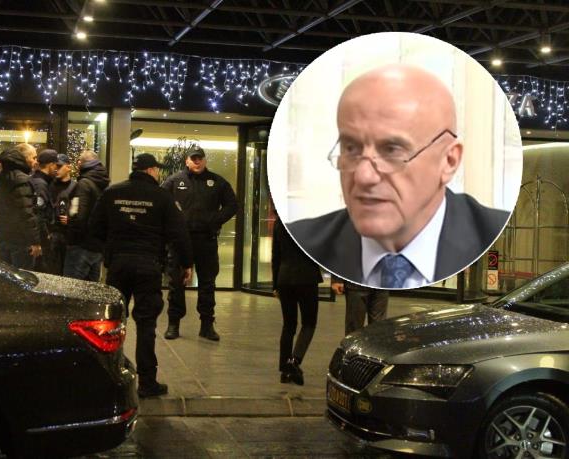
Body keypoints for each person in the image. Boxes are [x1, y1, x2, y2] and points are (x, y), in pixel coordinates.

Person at [288, 64, 510, 288]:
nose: (363, 176)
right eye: (351, 148)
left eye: (392, 150)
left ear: (449, 161)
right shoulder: (305, 241)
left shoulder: (492, 232)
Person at [90, 153, 193, 398]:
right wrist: (186, 263)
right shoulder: (162, 197)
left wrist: (110, 251)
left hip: (119, 265)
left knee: (113, 323)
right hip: (148, 266)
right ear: (150, 170)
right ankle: (147, 382)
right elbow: (179, 233)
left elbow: (94, 227)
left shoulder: (112, 193)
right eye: (157, 170)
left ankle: (110, 378)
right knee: (146, 324)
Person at [161, 146, 237, 341]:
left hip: (206, 240)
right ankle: (173, 324)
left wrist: (215, 220)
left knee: (207, 283)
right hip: (180, 241)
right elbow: (160, 202)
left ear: (205, 160)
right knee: (176, 284)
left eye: (199, 158)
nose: (196, 161)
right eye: (193, 158)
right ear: (187, 161)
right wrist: (172, 223)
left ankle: (207, 325)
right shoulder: (175, 181)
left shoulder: (217, 182)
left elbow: (232, 205)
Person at [272, 216, 322, 386]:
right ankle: (294, 362)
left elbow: (276, 255)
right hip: (307, 278)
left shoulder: (279, 222)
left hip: (284, 278)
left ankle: (285, 370)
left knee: (288, 325)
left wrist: (275, 284)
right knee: (309, 323)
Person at [0, 143, 41, 270]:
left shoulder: (1, 176)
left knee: (6, 275)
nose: (36, 161)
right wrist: (35, 241)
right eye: (33, 157)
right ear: (25, 158)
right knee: (23, 276)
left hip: (3, 235)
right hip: (21, 240)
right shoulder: (22, 179)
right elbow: (26, 213)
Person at [63, 151, 109, 282]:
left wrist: (71, 237)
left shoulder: (83, 184)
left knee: (71, 287)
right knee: (91, 289)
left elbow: (78, 215)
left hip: (81, 246)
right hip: (97, 247)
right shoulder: (104, 184)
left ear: (80, 163)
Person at [30, 149, 59, 273]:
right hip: (41, 239)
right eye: (56, 165)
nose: (57, 169)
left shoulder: (39, 180)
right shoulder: (41, 184)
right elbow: (38, 214)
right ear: (51, 165)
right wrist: (41, 238)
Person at [48, 154, 76, 275]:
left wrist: (71, 219)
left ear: (68, 167)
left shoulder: (76, 187)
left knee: (68, 270)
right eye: (55, 166)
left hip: (68, 235)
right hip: (52, 233)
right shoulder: (50, 186)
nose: (56, 169)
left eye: (59, 166)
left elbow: (80, 209)